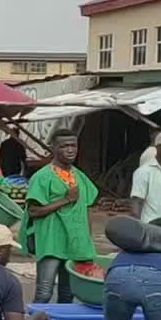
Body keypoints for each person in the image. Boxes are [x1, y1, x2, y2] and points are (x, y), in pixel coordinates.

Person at [19, 129, 97, 303]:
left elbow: (86, 209)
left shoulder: (80, 177)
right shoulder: (42, 177)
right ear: (52, 148)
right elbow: (33, 211)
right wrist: (65, 200)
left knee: (68, 294)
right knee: (44, 292)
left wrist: (87, 240)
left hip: (74, 244)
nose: (70, 150)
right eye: (64, 146)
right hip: (51, 243)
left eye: (73, 146)